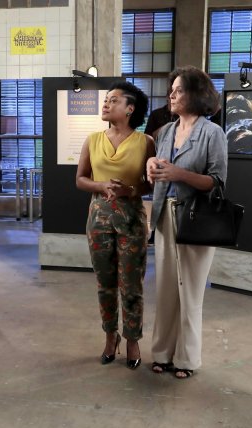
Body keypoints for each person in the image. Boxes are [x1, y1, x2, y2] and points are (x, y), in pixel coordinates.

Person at [146, 66, 227, 380]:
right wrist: (152, 165)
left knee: (190, 292)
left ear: (195, 94)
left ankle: (187, 358)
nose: (172, 95)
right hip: (164, 215)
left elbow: (217, 183)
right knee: (166, 289)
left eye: (178, 90)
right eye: (172, 90)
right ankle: (162, 353)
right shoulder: (166, 131)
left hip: (196, 218)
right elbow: (158, 168)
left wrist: (180, 174)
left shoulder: (213, 133)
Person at [76, 81, 155, 369]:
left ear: (130, 108)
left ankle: (132, 339)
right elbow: (80, 179)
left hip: (132, 219)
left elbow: (150, 184)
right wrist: (101, 185)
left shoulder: (146, 142)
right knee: (105, 283)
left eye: (113, 100)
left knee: (131, 284)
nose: (106, 104)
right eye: (106, 99)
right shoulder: (92, 140)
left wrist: (130, 190)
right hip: (99, 219)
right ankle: (111, 337)